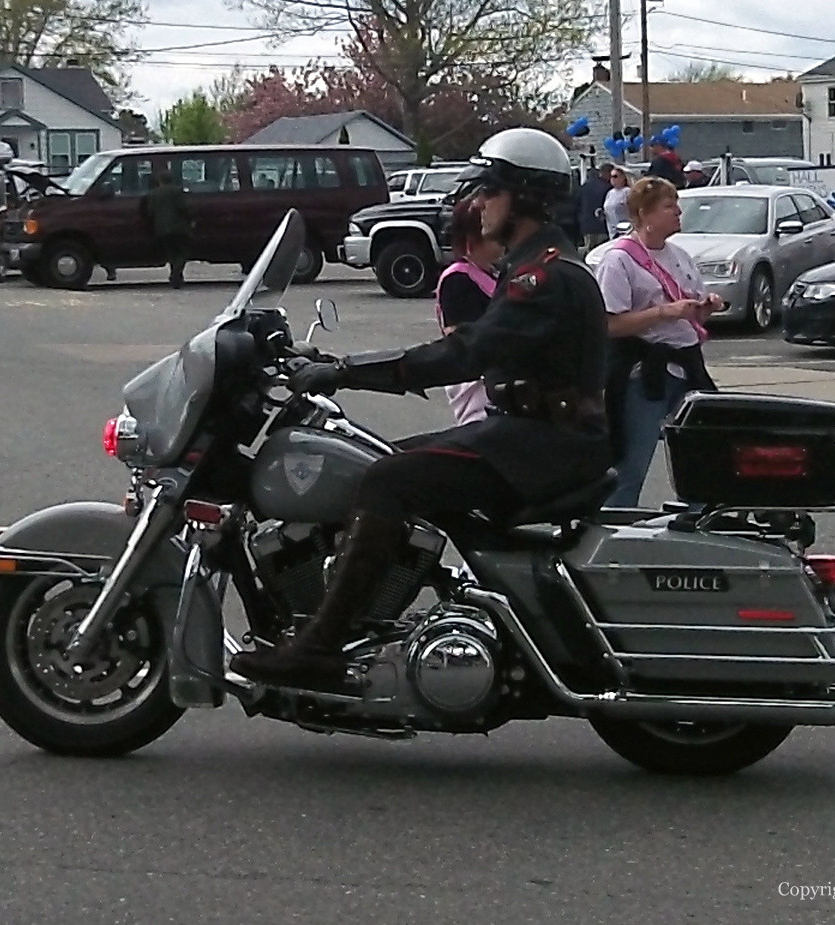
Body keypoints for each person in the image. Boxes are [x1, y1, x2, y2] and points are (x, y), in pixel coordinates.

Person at [229, 126, 612, 689]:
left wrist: (344, 371)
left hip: (542, 445)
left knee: (387, 481)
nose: (475, 204)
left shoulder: (542, 277)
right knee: (374, 460)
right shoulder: (536, 266)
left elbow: (466, 352)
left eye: (489, 192)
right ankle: (378, 622)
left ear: (525, 197)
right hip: (531, 436)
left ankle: (320, 646)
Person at [595, 176, 724, 507]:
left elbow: (692, 312)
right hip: (643, 373)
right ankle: (611, 538)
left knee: (703, 459)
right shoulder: (618, 260)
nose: (678, 211)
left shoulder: (680, 255)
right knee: (630, 466)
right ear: (644, 214)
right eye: (669, 206)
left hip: (688, 367)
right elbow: (609, 325)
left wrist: (704, 306)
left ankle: (696, 530)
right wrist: (665, 312)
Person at [433, 197, 504, 425]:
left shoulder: (493, 272)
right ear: (474, 237)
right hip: (476, 388)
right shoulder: (458, 279)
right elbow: (460, 341)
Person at [141, 172, 192, 287]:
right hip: (179, 228)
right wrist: (191, 221)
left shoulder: (153, 194)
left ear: (160, 181)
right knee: (182, 252)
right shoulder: (177, 191)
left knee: (171, 253)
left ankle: (176, 275)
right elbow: (184, 208)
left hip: (161, 229)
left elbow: (150, 212)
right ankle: (176, 274)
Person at [577, 163, 614, 249]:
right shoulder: (608, 188)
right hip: (602, 227)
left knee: (589, 249)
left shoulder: (586, 185)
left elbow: (578, 204)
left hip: (586, 225)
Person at [603, 167, 632, 237]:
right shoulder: (610, 193)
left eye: (615, 176)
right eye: (611, 176)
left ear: (623, 178)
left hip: (624, 230)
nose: (612, 179)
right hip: (611, 231)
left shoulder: (628, 191)